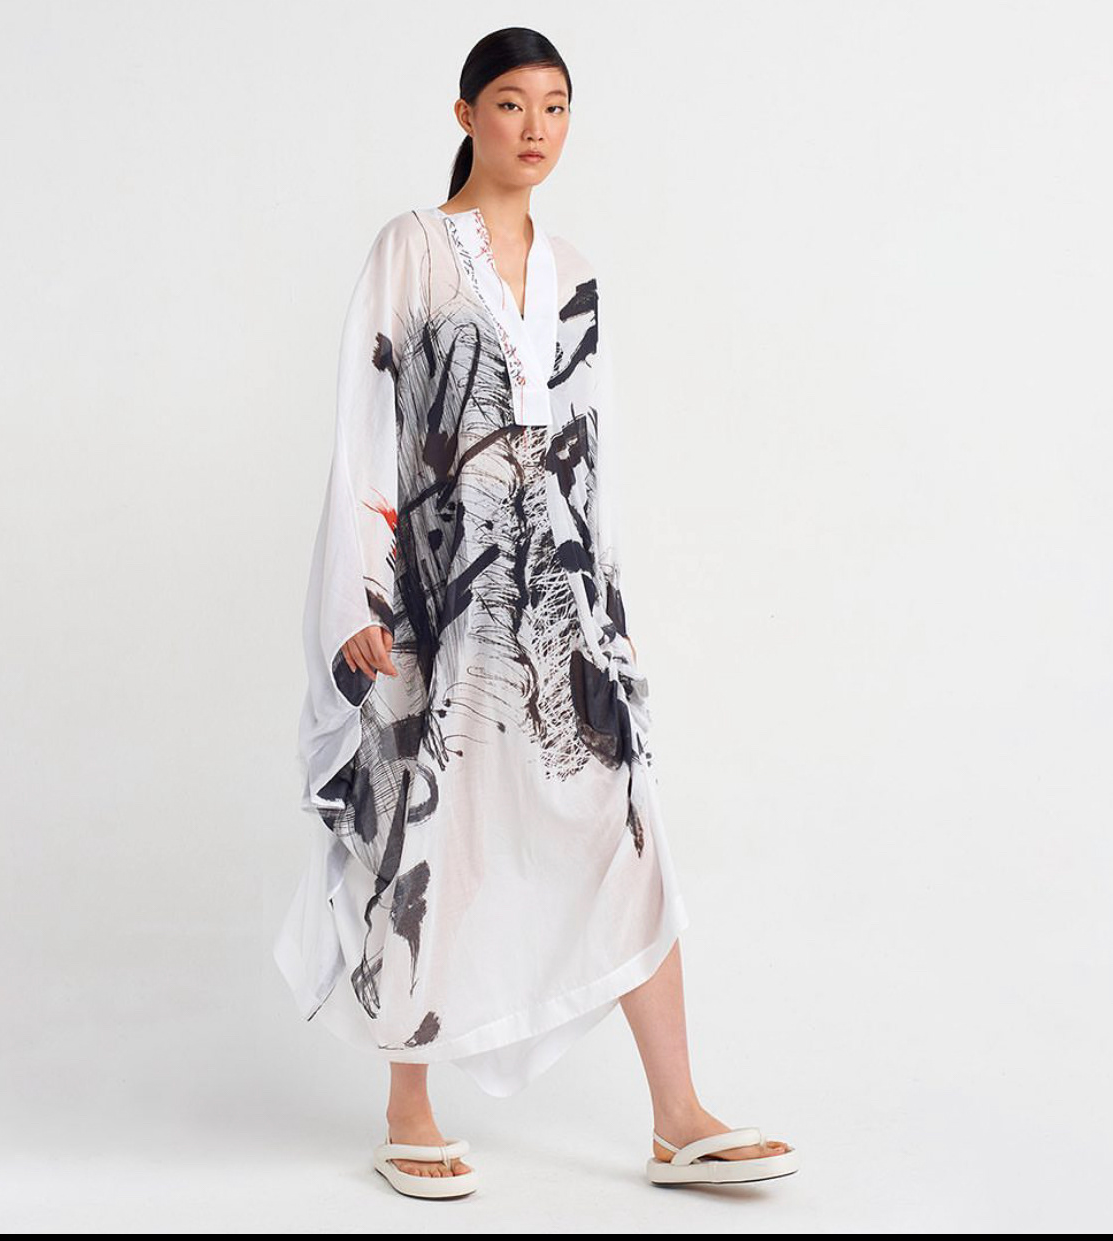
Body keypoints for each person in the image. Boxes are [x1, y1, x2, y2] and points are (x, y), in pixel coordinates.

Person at [273, 26, 798, 1199]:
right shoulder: (412, 250)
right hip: (438, 602)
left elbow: (590, 456)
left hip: (561, 604)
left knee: (626, 827)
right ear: (466, 114)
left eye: (556, 107)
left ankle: (678, 1116)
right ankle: (408, 1108)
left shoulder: (576, 276)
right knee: (434, 837)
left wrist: (611, 609)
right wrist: (361, 592)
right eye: (512, 103)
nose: (536, 128)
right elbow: (364, 420)